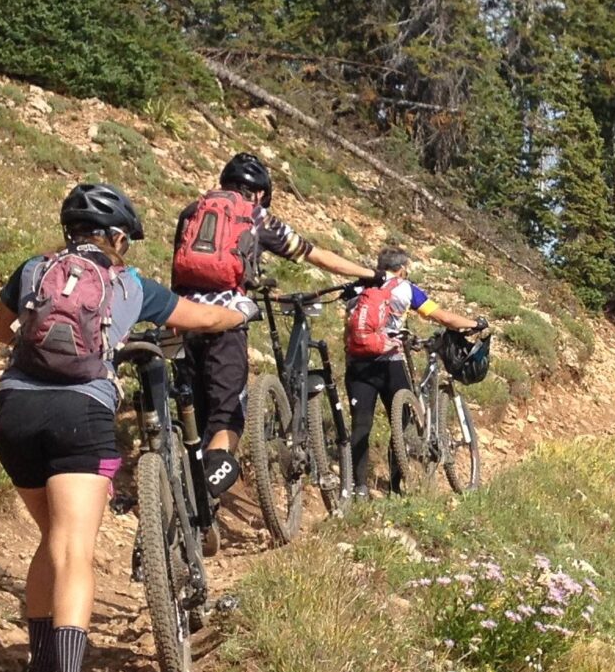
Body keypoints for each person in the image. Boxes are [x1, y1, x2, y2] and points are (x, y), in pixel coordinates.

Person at [0, 182, 248, 672]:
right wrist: (235, 314)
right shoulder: (129, 283)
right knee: (74, 547)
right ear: (114, 237)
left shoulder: (34, 269)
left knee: (50, 538)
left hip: (13, 414)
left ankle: (38, 666)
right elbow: (200, 320)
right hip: (80, 416)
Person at [167, 152, 376, 500]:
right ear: (260, 192)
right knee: (228, 417)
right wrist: (369, 274)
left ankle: (185, 496)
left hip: (185, 318)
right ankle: (203, 503)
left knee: (197, 415)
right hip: (226, 323)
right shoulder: (256, 217)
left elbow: (178, 267)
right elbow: (312, 253)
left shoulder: (192, 210)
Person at [344, 246, 485, 497]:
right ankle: (396, 487)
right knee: (402, 422)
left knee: (360, 425)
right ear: (401, 269)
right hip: (391, 361)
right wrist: (474, 324)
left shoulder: (361, 284)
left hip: (357, 363)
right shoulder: (406, 288)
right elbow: (442, 317)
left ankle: (359, 488)